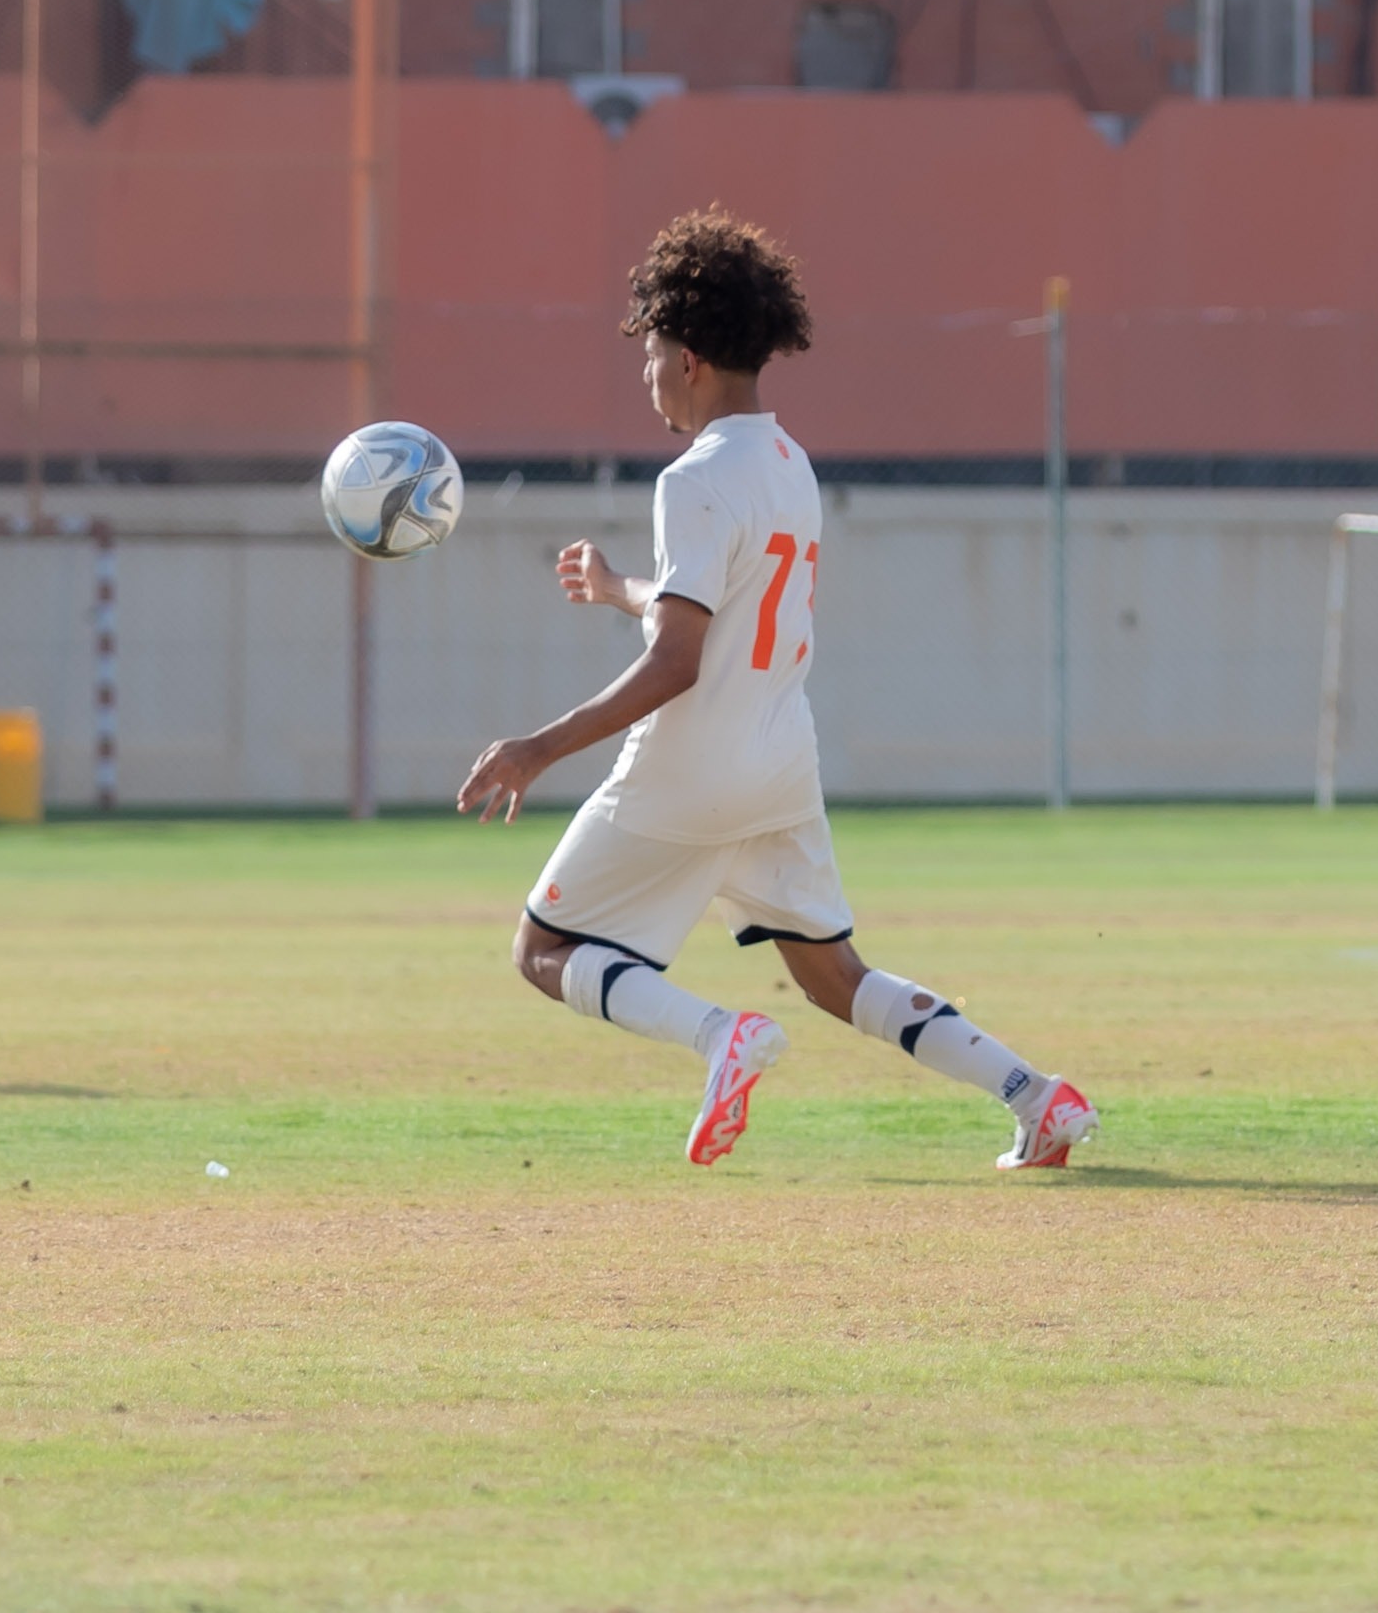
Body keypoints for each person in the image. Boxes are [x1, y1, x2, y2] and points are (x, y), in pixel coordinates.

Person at [456, 208, 1093, 1170]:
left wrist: (533, 749)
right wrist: (618, 586)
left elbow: (677, 660)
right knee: (835, 976)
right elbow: (706, 612)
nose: (646, 372)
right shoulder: (789, 464)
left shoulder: (692, 478)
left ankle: (721, 1036)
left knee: (542, 950)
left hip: (691, 766)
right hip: (778, 759)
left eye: (653, 351)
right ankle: (1034, 1096)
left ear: (691, 358)